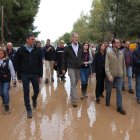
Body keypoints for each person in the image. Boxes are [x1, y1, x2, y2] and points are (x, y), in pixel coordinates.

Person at [16, 33, 43, 118]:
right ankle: (28, 109)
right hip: (25, 74)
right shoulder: (20, 50)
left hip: (35, 74)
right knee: (26, 91)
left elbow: (40, 63)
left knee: (37, 90)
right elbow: (17, 64)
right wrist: (19, 76)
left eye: (34, 39)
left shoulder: (37, 50)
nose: (33, 40)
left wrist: (40, 75)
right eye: (32, 39)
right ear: (27, 40)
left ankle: (34, 98)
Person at [105, 38, 126, 115]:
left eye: (119, 42)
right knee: (109, 90)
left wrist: (124, 75)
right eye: (117, 42)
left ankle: (119, 107)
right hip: (111, 75)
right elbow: (106, 66)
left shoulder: (121, 53)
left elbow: (123, 65)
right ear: (113, 44)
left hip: (119, 75)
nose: (119, 44)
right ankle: (107, 101)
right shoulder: (109, 53)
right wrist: (109, 75)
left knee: (119, 91)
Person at [62, 33, 83, 107]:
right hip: (71, 67)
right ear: (72, 38)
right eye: (75, 37)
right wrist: (63, 68)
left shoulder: (80, 46)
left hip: (78, 67)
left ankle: (71, 94)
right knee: (73, 82)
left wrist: (81, 62)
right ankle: (74, 100)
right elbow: (64, 58)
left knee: (75, 82)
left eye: (78, 37)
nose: (77, 39)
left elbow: (82, 56)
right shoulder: (68, 47)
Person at [0, 47, 16, 114]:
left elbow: (12, 70)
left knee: (5, 91)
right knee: (1, 93)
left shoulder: (8, 61)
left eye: (1, 53)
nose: (0, 54)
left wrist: (14, 79)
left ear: (4, 54)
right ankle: (4, 100)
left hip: (6, 79)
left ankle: (7, 106)